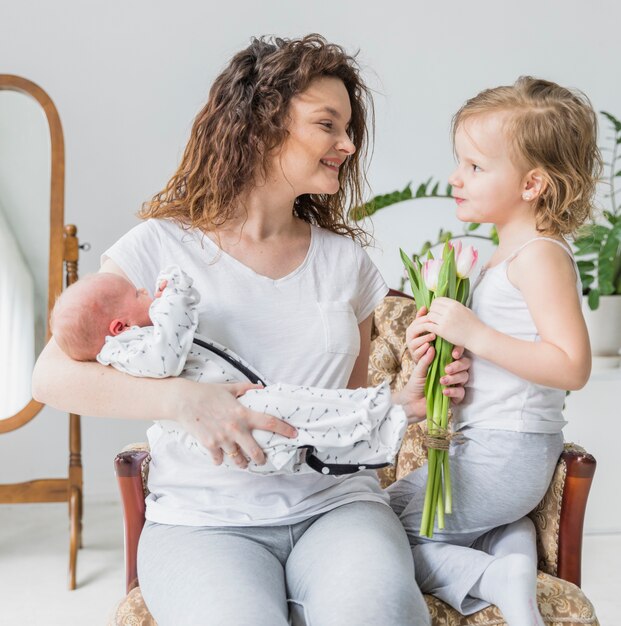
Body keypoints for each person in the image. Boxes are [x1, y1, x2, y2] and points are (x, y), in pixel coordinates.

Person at [33, 35, 471, 626]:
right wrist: (183, 399)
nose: (347, 144)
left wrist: (406, 400)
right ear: (263, 125)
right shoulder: (161, 246)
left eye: (349, 128)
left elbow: (342, 404)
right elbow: (50, 376)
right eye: (327, 124)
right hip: (202, 522)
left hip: (337, 508)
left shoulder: (346, 264)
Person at [389, 76, 599, 626]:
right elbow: (506, 357)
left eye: (476, 167)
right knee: (371, 523)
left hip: (504, 452)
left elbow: (571, 365)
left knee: (373, 530)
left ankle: (493, 577)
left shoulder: (540, 256)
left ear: (532, 184)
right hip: (491, 448)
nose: (456, 178)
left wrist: (475, 334)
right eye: (459, 162)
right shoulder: (504, 257)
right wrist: (440, 346)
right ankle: (511, 545)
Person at [50, 265, 411, 475]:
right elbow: (168, 353)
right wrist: (173, 292)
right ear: (119, 327)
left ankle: (376, 430)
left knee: (311, 420)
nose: (146, 291)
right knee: (308, 413)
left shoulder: (133, 342)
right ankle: (391, 412)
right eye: (137, 295)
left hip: (249, 405)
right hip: (240, 418)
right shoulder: (127, 350)